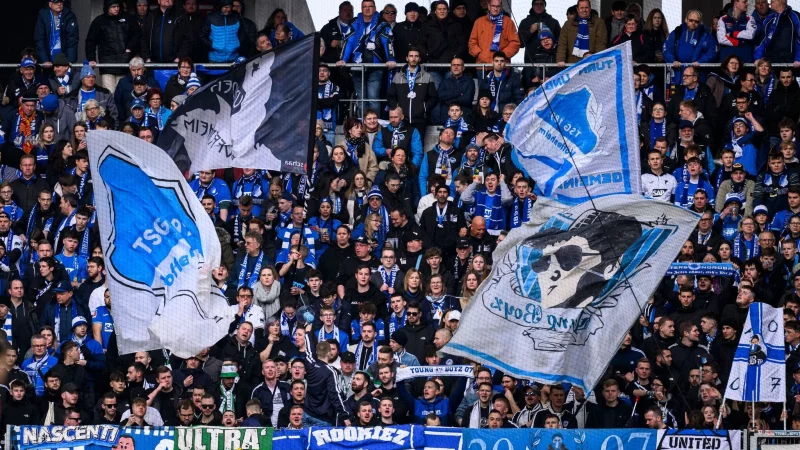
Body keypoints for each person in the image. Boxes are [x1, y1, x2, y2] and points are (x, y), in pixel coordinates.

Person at [337, 0, 396, 117]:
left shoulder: (382, 23)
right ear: (361, 8)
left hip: (375, 67)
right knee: (361, 99)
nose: (367, 9)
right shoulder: (354, 23)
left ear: (374, 8)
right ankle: (362, 128)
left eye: (370, 6)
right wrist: (343, 59)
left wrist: (391, 59)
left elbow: (388, 42)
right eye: (365, 7)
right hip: (356, 67)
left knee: (373, 98)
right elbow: (348, 42)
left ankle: (375, 127)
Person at [85, 1, 134, 93]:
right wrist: (91, 58)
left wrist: (129, 48)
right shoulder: (99, 21)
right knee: (109, 94)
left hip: (124, 63)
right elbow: (90, 41)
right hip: (106, 65)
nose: (116, 8)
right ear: (107, 7)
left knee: (122, 94)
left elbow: (136, 35)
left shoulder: (127, 18)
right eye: (113, 6)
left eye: (118, 6)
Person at [387, 48, 437, 138]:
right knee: (402, 148)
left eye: (416, 56)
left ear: (419, 59)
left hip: (420, 119)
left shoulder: (427, 76)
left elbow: (433, 98)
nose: (413, 58)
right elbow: (390, 97)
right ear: (407, 58)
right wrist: (398, 108)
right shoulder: (398, 76)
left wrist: (424, 108)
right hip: (402, 120)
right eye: (411, 56)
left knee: (418, 148)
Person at [663, 10, 717, 81]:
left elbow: (712, 51)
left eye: (696, 21)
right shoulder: (677, 32)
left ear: (700, 22)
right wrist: (672, 61)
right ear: (686, 19)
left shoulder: (706, 35)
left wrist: (700, 61)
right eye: (691, 20)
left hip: (698, 74)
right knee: (679, 92)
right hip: (679, 73)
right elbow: (666, 49)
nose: (693, 23)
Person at [557, 0, 607, 65]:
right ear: (577, 9)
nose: (584, 10)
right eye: (582, 8)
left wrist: (597, 59)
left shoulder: (599, 23)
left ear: (590, 8)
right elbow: (562, 43)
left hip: (591, 63)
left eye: (586, 7)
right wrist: (560, 59)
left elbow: (601, 44)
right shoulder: (568, 24)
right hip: (572, 64)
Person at [754, 0, 800, 66]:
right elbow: (762, 42)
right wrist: (758, 58)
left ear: (780, 2)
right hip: (770, 63)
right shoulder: (768, 20)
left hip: (790, 63)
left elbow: (799, 40)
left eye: (772, 1)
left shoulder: (795, 17)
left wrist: (798, 59)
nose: (770, 3)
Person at [35, 0, 79, 66]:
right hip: (48, 59)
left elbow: (72, 40)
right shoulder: (43, 15)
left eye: (61, 1)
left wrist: (70, 60)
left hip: (64, 58)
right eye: (56, 2)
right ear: (50, 4)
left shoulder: (69, 15)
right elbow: (40, 38)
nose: (59, 4)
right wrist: (44, 60)